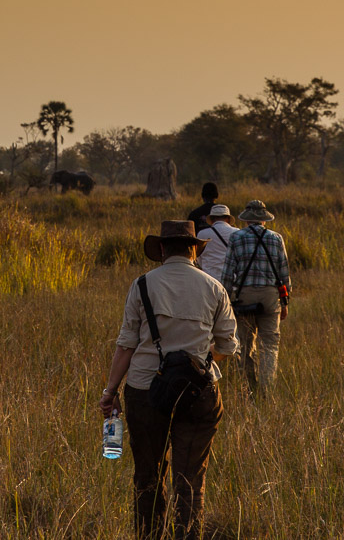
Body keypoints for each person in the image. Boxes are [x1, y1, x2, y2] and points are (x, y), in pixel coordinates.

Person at [100, 220, 239, 540]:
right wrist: (196, 364)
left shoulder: (143, 285)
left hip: (145, 392)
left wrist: (110, 391)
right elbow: (228, 346)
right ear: (194, 250)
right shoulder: (213, 287)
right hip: (200, 393)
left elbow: (126, 345)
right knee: (190, 483)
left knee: (148, 478)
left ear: (162, 249)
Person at [221, 200, 290, 397]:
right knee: (269, 345)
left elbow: (227, 274)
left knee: (244, 344)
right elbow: (284, 274)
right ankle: (267, 390)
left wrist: (225, 302)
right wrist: (285, 302)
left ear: (246, 219)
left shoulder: (236, 238)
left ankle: (251, 389)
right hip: (270, 296)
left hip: (244, 296)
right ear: (264, 220)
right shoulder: (276, 239)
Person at [194, 204, 237, 282]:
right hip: (231, 280)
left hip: (209, 279)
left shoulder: (202, 234)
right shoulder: (236, 232)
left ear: (212, 219)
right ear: (228, 218)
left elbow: (198, 258)